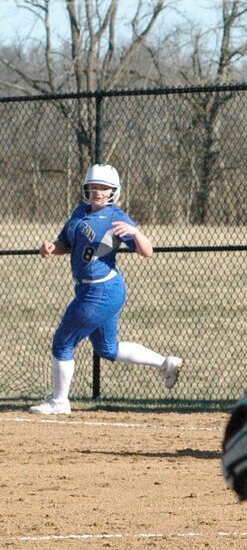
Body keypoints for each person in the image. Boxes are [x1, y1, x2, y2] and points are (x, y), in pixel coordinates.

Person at [29, 163, 183, 415]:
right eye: (93, 187)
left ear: (114, 191)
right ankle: (164, 363)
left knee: (62, 343)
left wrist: (135, 232)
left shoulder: (116, 217)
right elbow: (65, 244)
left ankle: (59, 402)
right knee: (107, 349)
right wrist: (50, 248)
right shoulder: (79, 213)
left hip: (100, 292)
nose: (98, 192)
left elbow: (147, 251)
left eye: (104, 188)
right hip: (99, 290)